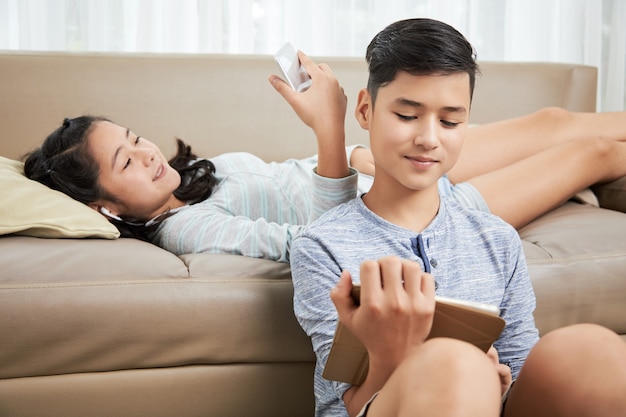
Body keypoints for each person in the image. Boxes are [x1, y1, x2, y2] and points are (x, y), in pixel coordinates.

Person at [23, 38, 626, 262]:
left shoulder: (196, 177)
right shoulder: (189, 230)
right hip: (398, 215)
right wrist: (331, 130)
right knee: (592, 154)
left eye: (135, 138)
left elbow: (296, 175)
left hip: (376, 170)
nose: (148, 154)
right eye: (127, 162)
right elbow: (321, 241)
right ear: (104, 206)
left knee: (555, 120)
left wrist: (359, 155)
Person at [288, 18, 626, 417]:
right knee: (455, 365)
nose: (429, 138)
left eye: (450, 121)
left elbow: (520, 368)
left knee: (589, 349)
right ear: (366, 109)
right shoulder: (322, 245)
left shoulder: (496, 239)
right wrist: (390, 360)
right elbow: (339, 407)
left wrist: (500, 386)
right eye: (408, 116)